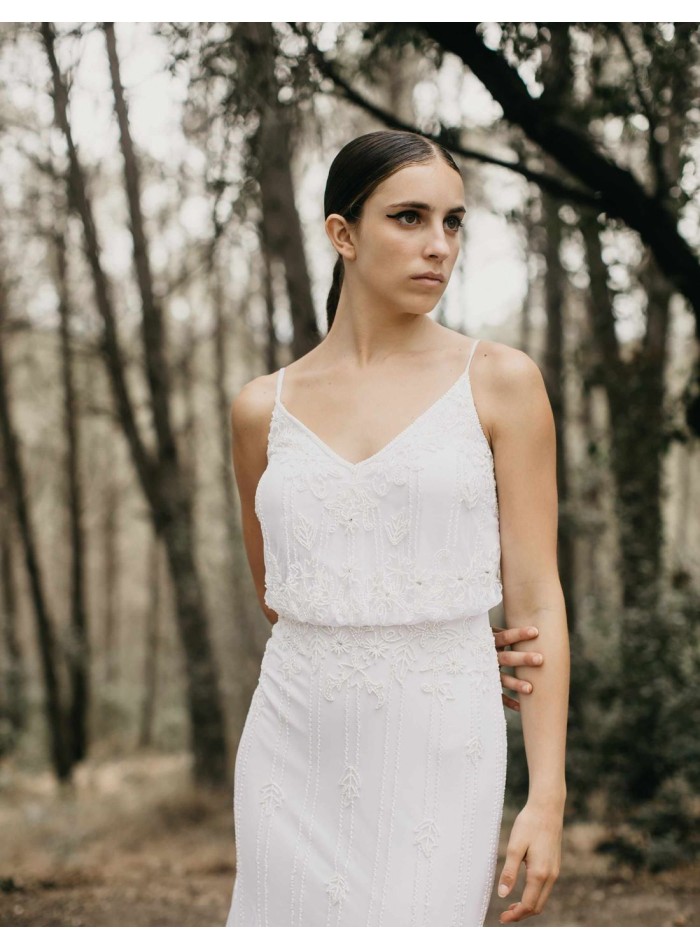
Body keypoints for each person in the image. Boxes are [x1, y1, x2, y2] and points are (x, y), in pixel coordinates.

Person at [226, 129, 569, 927]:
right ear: (342, 234)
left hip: (443, 747)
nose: (438, 246)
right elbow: (281, 598)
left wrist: (546, 796)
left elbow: (538, 601)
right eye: (409, 218)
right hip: (290, 746)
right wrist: (396, 627)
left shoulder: (502, 382)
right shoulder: (259, 409)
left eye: (453, 223)